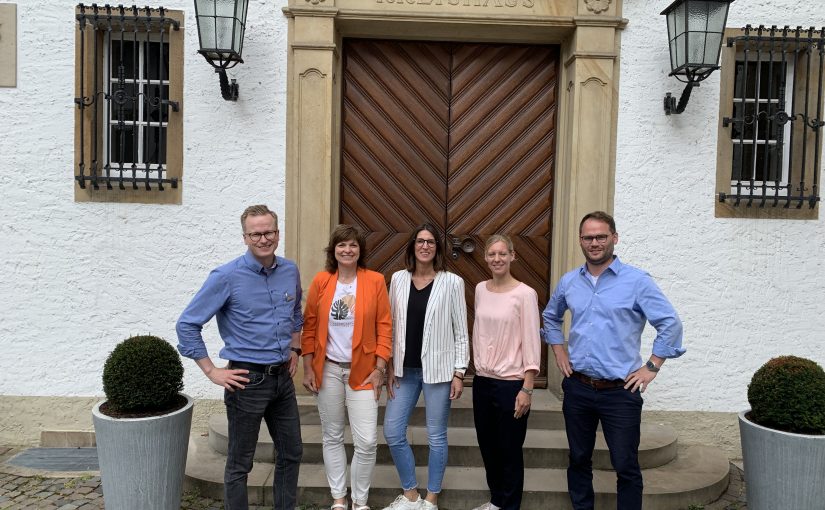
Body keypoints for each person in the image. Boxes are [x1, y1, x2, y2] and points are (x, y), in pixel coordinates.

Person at [542, 211, 685, 510]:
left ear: (614, 238)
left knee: (626, 465)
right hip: (579, 388)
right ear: (580, 241)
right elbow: (550, 318)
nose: (594, 243)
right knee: (579, 459)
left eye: (601, 237)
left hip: (621, 392)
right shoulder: (569, 282)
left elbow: (670, 323)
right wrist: (559, 350)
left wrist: (652, 367)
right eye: (588, 237)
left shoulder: (637, 281)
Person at [176, 204, 303, 510]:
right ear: (245, 237)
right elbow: (187, 324)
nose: (264, 239)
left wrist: (296, 349)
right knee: (240, 463)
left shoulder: (289, 270)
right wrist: (211, 372)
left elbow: (296, 313)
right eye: (256, 233)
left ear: (278, 232)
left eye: (269, 232)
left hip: (282, 380)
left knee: (291, 453)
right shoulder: (226, 276)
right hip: (246, 381)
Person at [301, 224, 393, 510]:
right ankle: (339, 499)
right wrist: (307, 368)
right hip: (327, 368)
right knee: (332, 436)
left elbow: (384, 326)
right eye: (342, 245)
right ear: (334, 250)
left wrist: (380, 368)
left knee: (366, 441)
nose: (347, 250)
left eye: (353, 245)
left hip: (364, 370)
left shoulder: (375, 280)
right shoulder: (322, 281)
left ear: (360, 250)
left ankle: (360, 501)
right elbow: (310, 326)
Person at [381, 224, 470, 510]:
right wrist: (387, 365)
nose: (425, 246)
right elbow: (390, 325)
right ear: (412, 246)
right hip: (404, 372)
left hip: (439, 372)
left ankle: (431, 497)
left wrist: (459, 371)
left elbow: (461, 331)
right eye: (420, 241)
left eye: (431, 242)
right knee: (393, 431)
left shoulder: (452, 282)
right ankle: (410, 493)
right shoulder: (397, 279)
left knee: (436, 436)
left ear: (437, 248)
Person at [470, 234, 541, 510]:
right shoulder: (480, 289)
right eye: (492, 254)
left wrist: (527, 387)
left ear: (513, 256)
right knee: (488, 447)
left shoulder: (525, 294)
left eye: (502, 254)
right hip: (483, 381)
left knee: (509, 451)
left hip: (512, 385)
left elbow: (532, 341)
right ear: (485, 258)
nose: (497, 259)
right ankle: (496, 501)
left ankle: (510, 505)